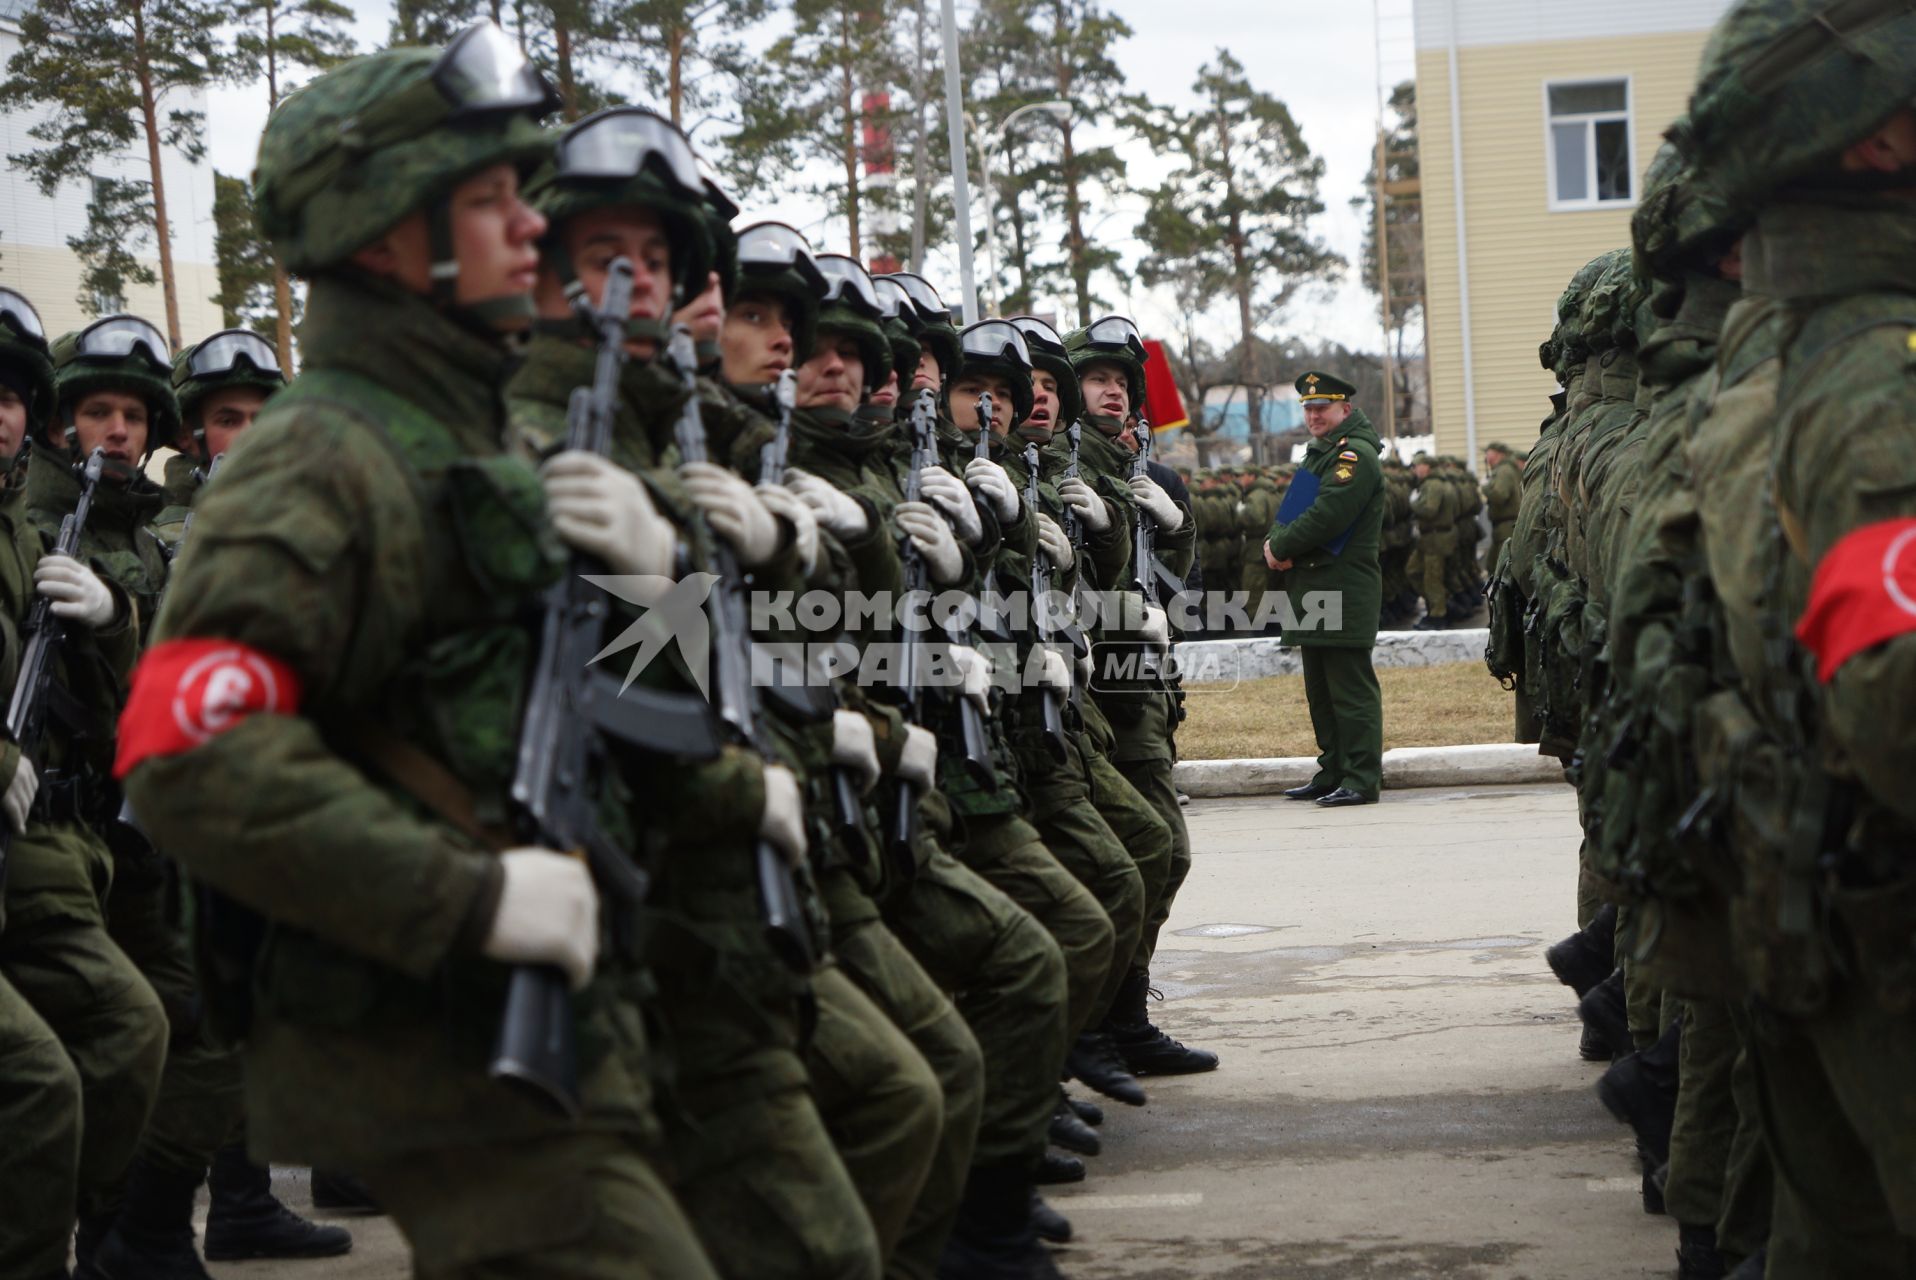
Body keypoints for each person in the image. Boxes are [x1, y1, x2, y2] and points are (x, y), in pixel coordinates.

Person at [115, 28, 724, 1278]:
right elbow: (186, 751)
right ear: (391, 235)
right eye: (492, 201)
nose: (529, 230)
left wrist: (660, 591)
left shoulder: (468, 433)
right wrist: (472, 895)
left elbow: (580, 688)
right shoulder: (322, 456)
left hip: (544, 993)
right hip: (434, 1019)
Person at [0, 288, 169, 1280]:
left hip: (57, 851)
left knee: (132, 1027)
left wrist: (109, 619)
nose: (2, 414)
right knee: (37, 1084)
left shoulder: (28, 538)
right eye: (96, 410)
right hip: (41, 840)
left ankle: (81, 1236)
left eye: (12, 394)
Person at [1262, 371, 1386, 808]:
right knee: (1321, 688)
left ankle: (1361, 777)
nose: (1314, 414)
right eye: (1309, 408)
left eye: (1323, 407)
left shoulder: (1354, 455)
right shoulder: (1322, 452)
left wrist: (1279, 546)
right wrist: (1278, 546)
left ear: (1345, 410)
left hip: (1341, 586)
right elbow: (1299, 507)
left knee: (1349, 689)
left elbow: (1330, 513)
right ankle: (1333, 769)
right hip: (1313, 584)